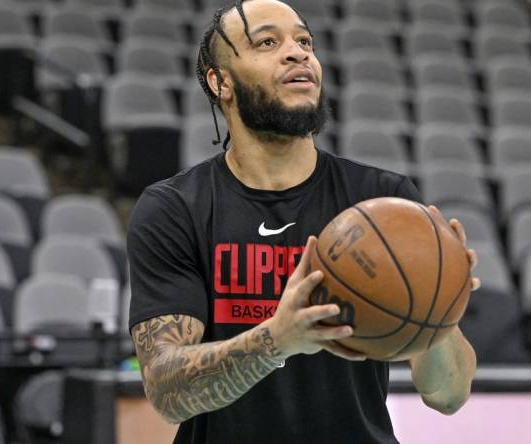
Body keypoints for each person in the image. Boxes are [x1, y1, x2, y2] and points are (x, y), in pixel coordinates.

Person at [126, 1, 479, 443]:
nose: (297, 53)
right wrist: (278, 338)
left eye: (304, 41)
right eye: (267, 42)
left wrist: (439, 307)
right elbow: (166, 392)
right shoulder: (175, 208)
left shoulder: (384, 201)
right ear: (220, 82)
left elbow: (448, 395)